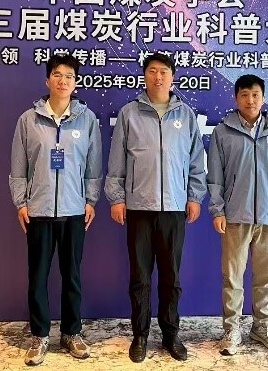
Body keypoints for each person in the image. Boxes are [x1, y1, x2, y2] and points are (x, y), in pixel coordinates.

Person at [105, 53, 207, 363]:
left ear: (172, 77)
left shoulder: (185, 115)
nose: (158, 77)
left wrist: (194, 196)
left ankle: (171, 333)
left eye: (163, 71)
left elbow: (195, 161)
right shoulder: (129, 113)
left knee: (171, 277)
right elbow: (117, 161)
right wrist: (117, 198)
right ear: (145, 75)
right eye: (152, 71)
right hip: (139, 207)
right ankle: (140, 335)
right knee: (140, 276)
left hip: (174, 207)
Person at [9, 54, 103, 366]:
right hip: (39, 210)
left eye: (69, 76)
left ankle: (71, 332)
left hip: (74, 211)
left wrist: (90, 200)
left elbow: (93, 167)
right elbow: (18, 168)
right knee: (37, 277)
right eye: (58, 75)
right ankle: (39, 335)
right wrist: (21, 202)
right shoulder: (28, 120)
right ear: (48, 79)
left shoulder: (87, 119)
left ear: (76, 83)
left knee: (72, 275)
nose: (63, 81)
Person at [207, 74, 268, 356]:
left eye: (255, 95)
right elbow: (215, 176)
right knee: (232, 277)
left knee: (265, 277)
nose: (250, 100)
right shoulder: (223, 132)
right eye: (244, 95)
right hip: (235, 216)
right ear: (236, 98)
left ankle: (261, 327)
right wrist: (217, 210)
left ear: (263, 98)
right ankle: (231, 330)